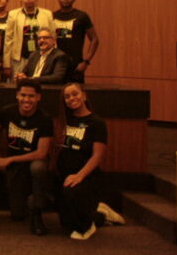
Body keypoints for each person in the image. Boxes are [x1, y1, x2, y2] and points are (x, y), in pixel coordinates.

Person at [57, 82, 125, 240]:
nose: (71, 98)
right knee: (66, 223)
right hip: (65, 174)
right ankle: (100, 213)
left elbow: (97, 156)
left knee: (76, 218)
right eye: (67, 96)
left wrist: (79, 176)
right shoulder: (66, 120)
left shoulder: (97, 123)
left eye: (75, 94)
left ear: (84, 96)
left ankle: (87, 227)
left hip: (86, 176)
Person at [0, 79, 53, 235]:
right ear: (17, 95)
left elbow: (41, 153)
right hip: (15, 166)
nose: (26, 100)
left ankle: (38, 213)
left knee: (37, 167)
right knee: (17, 214)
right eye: (23, 95)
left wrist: (10, 159)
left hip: (34, 162)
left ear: (38, 97)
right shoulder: (6, 112)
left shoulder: (45, 119)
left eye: (31, 96)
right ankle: (40, 198)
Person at [3, 0, 55, 79]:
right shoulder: (13, 14)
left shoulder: (47, 14)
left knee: (40, 82)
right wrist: (6, 64)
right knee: (19, 82)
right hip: (20, 58)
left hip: (42, 57)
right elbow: (8, 40)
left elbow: (53, 37)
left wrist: (53, 58)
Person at [54, 0, 100, 82]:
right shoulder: (52, 16)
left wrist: (86, 62)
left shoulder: (82, 16)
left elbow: (94, 39)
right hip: (55, 64)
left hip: (76, 66)